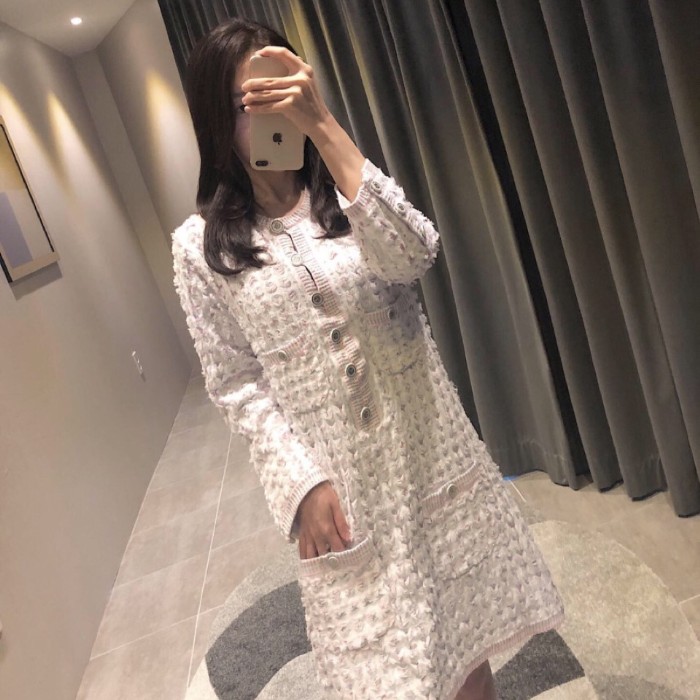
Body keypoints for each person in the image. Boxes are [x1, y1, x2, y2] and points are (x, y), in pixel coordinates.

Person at [172, 16, 565, 700]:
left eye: (283, 89)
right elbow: (236, 383)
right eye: (247, 103)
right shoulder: (200, 248)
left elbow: (414, 254)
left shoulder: (350, 192)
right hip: (342, 486)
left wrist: (323, 125)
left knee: (464, 641)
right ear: (215, 118)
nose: (270, 113)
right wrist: (300, 485)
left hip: (429, 455)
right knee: (382, 671)